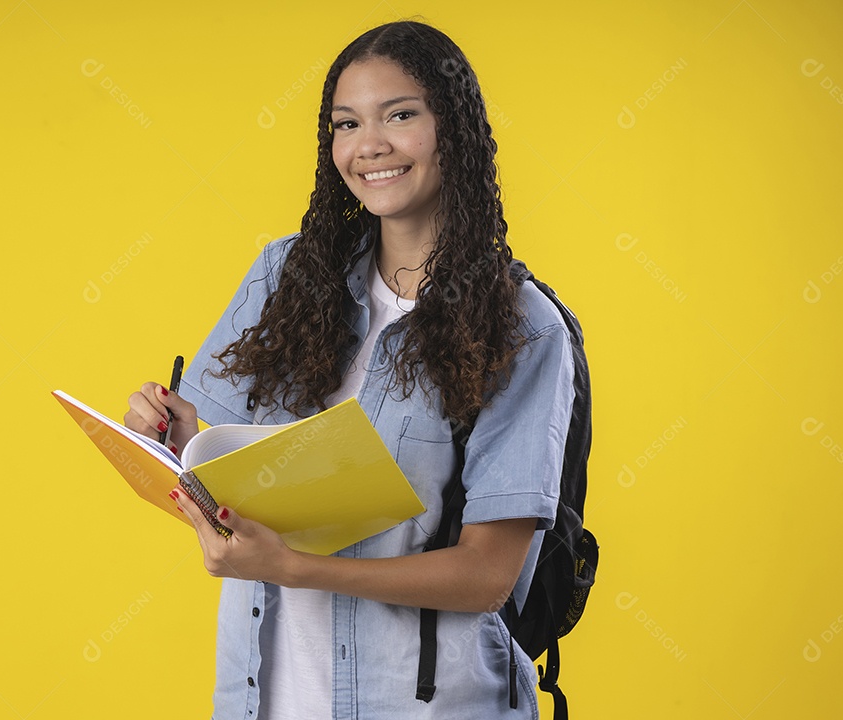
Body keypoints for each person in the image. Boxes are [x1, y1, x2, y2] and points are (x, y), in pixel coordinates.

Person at [125, 20, 575, 720]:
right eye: (346, 123)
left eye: (401, 115)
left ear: (452, 128)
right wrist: (171, 432)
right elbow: (224, 463)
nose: (369, 146)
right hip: (261, 699)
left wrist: (296, 569)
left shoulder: (519, 324)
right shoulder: (286, 275)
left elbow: (489, 575)